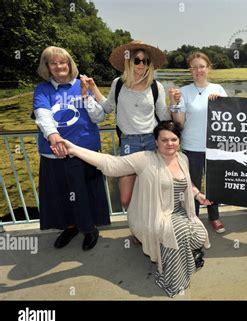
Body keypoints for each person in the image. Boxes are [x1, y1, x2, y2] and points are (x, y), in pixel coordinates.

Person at [54, 121, 212, 298]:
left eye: (174, 139)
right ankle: (174, 279)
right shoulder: (144, 159)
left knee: (197, 233)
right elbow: (110, 164)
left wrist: (198, 195)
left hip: (178, 210)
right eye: (164, 140)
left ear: (179, 140)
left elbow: (187, 182)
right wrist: (73, 149)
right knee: (176, 233)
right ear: (156, 141)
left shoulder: (183, 159)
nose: (170, 143)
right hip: (154, 214)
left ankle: (185, 260)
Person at [32, 46, 110, 250]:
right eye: (53, 63)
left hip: (85, 152)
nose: (59, 67)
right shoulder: (42, 90)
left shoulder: (82, 85)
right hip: (55, 153)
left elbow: (99, 117)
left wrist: (86, 96)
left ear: (69, 64)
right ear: (47, 67)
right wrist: (54, 136)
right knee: (62, 194)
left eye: (62, 62)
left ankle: (90, 228)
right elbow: (43, 116)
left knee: (86, 193)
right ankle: (71, 226)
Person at [82, 40, 171, 208]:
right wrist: (92, 89)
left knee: (153, 193)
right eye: (137, 60)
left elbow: (163, 115)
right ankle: (137, 229)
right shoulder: (119, 83)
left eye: (145, 61)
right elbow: (108, 107)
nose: (141, 64)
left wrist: (175, 104)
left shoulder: (156, 86)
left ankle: (149, 232)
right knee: (126, 199)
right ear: (129, 61)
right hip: (129, 142)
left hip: (152, 142)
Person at [170, 52, 228, 234]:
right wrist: (174, 103)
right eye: (194, 67)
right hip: (191, 147)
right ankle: (193, 219)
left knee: (214, 184)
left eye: (201, 66)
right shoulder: (184, 92)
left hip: (214, 147)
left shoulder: (218, 89)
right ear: (190, 70)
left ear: (208, 68)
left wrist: (221, 103)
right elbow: (179, 122)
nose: (198, 70)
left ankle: (214, 216)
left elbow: (230, 116)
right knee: (192, 186)